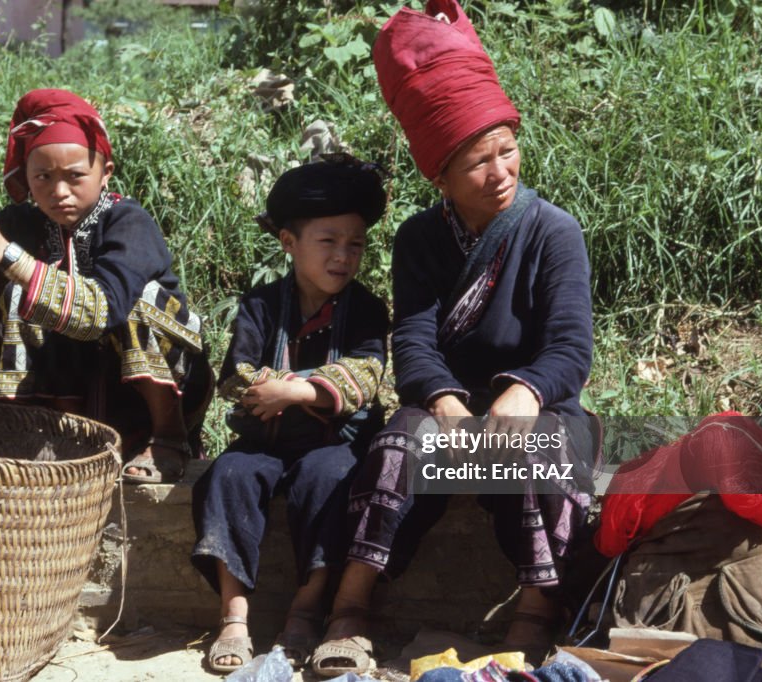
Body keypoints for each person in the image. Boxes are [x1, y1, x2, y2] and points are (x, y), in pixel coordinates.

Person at [310, 1, 597, 677]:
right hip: (450, 412)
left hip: (537, 408)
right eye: (478, 161)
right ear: (438, 174)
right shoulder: (419, 239)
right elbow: (412, 340)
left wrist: (525, 391)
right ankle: (350, 610)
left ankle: (535, 611)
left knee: (546, 449)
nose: (501, 172)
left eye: (508, 150)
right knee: (394, 448)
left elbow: (569, 346)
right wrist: (442, 401)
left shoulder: (553, 231)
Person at [0, 88, 211, 481]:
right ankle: (67, 436)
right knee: (21, 293)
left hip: (144, 397)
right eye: (42, 177)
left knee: (135, 305)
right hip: (73, 394)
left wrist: (7, 255)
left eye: (75, 176)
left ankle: (168, 440)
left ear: (105, 172)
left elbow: (101, 312)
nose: (59, 192)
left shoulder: (128, 222)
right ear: (26, 177)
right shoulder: (24, 224)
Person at [190, 156, 390, 673]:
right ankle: (233, 616)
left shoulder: (368, 309)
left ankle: (306, 609)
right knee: (228, 475)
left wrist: (296, 391)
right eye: (328, 242)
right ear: (288, 243)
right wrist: (273, 390)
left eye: (356, 245)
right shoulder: (260, 304)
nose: (344, 257)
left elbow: (367, 374)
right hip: (264, 439)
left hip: (332, 442)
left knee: (330, 481)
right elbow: (237, 371)